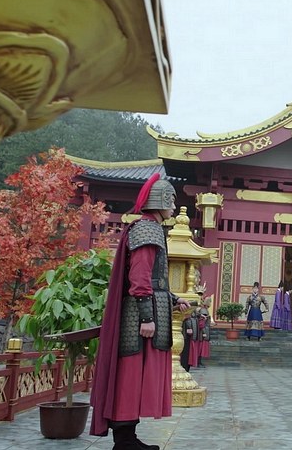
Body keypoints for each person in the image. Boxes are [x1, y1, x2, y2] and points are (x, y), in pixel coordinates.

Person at [90, 173, 190, 449]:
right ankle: (124, 441)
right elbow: (139, 277)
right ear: (160, 201)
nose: (174, 206)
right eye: (171, 200)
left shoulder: (150, 228)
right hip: (139, 317)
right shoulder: (148, 229)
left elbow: (154, 279)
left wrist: (173, 298)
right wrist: (147, 318)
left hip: (145, 311)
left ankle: (128, 439)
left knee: (134, 375)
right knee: (131, 375)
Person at [196, 297, 214, 367]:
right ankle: (198, 362)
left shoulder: (202, 310)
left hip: (203, 331)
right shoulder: (204, 311)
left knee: (200, 348)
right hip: (203, 332)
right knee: (200, 348)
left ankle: (199, 362)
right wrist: (204, 332)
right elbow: (202, 323)